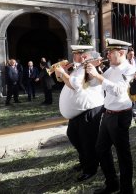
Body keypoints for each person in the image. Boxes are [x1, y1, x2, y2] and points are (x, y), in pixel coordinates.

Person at [86, 38, 136, 194]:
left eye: (110, 52)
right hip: (108, 114)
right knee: (101, 149)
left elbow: (119, 90)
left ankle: (127, 190)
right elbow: (95, 85)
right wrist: (90, 72)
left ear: (121, 52)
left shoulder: (129, 69)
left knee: (123, 155)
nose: (107, 54)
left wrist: (98, 76)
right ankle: (112, 183)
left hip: (121, 116)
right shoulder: (110, 69)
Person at [55, 45, 104, 182]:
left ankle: (90, 168)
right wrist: (62, 73)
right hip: (78, 113)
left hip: (89, 111)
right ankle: (85, 162)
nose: (73, 56)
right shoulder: (79, 67)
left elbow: (75, 85)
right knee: (74, 136)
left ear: (83, 55)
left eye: (75, 53)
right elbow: (68, 82)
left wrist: (63, 73)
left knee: (87, 142)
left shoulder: (88, 67)